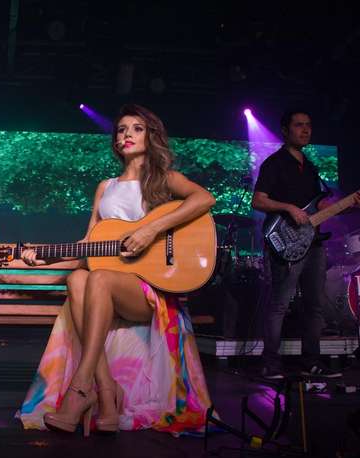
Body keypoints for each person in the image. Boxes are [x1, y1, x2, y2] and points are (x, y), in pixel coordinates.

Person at [18, 104, 216, 436]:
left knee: (97, 278)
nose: (126, 134)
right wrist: (48, 257)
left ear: (151, 136)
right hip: (106, 284)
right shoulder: (104, 188)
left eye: (137, 128)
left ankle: (82, 388)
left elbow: (205, 199)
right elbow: (87, 249)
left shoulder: (166, 180)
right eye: (122, 129)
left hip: (150, 292)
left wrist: (150, 230)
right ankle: (106, 392)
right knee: (81, 276)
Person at [252, 110, 360, 379]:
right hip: (286, 242)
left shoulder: (311, 167)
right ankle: (270, 364)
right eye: (299, 125)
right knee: (280, 304)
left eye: (308, 126)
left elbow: (324, 206)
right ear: (285, 130)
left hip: (314, 243)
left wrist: (353, 205)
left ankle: (311, 362)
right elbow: (258, 201)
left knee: (314, 305)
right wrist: (288, 207)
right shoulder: (275, 164)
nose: (305, 130)